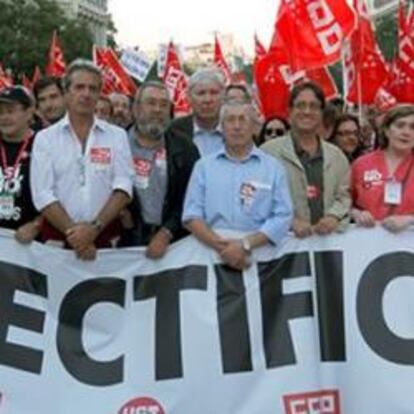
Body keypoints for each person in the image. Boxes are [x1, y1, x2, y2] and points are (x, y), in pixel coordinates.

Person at [31, 59, 134, 260]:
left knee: (106, 292)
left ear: (99, 94)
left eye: (93, 88)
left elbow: (124, 186)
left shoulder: (117, 135)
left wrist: (94, 229)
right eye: (79, 87)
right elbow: (43, 194)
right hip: (57, 242)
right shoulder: (45, 139)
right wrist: (76, 235)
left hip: (106, 239)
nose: (86, 94)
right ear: (66, 92)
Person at [182, 100, 292, 270]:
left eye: (243, 119)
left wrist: (245, 244)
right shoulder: (203, 167)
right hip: (212, 257)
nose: (237, 126)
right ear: (221, 128)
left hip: (260, 259)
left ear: (255, 127)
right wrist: (224, 248)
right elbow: (191, 215)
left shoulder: (273, 168)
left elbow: (283, 215)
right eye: (230, 120)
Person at [261, 81, 351, 238]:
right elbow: (260, 198)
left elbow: (344, 196)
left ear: (321, 113)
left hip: (327, 245)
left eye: (314, 106)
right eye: (300, 105)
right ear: (289, 111)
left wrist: (334, 217)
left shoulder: (337, 156)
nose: (307, 111)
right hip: (283, 248)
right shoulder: (268, 153)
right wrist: (289, 221)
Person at [120, 81, 199, 258]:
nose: (157, 110)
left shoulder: (184, 147)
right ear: (136, 108)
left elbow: (192, 197)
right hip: (124, 245)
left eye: (163, 105)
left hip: (172, 246)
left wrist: (167, 232)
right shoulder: (117, 143)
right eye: (151, 103)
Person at [351, 104, 414, 232]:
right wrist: (356, 214)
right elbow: (343, 201)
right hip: (368, 243)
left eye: (413, 127)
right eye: (400, 125)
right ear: (386, 130)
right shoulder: (361, 165)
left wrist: (410, 219)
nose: (406, 132)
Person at [0, 86, 40, 243]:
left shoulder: (44, 144)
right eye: (0, 112)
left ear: (29, 112)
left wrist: (37, 225)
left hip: (31, 247)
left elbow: (62, 193)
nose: (4, 117)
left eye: (10, 111)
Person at [169, 67, 225, 157]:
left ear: (223, 96)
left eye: (214, 93)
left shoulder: (238, 128)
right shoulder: (173, 131)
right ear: (189, 98)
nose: (207, 100)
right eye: (201, 93)